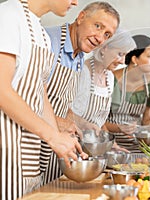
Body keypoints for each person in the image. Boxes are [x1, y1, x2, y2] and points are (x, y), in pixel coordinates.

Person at [0, 0, 87, 199]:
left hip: (28, 151)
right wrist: (52, 136)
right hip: (5, 150)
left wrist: (61, 140)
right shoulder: (7, 16)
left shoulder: (41, 34)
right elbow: (2, 90)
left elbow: (40, 94)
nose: (75, 2)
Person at [42, 1, 120, 185]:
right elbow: (25, 94)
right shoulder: (47, 41)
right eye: (98, 26)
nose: (100, 37)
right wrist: (57, 122)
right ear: (81, 17)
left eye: (107, 34)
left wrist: (82, 124)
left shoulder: (79, 56)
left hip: (54, 149)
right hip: (30, 142)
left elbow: (62, 101)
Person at [71, 29, 135, 147]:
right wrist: (84, 124)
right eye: (120, 54)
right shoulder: (82, 72)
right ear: (105, 48)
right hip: (72, 143)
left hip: (93, 146)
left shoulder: (109, 77)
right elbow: (62, 111)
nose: (122, 61)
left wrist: (112, 145)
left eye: (125, 55)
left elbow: (100, 123)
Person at [105, 34, 150, 153]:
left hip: (138, 147)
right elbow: (98, 120)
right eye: (149, 55)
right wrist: (120, 128)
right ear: (134, 59)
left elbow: (147, 119)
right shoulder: (110, 79)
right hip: (111, 146)